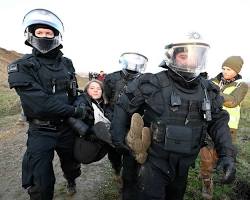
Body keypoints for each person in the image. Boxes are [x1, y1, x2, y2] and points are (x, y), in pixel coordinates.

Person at [110, 32, 236, 200]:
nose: (191, 61)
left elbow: (219, 121)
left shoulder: (208, 90)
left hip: (183, 165)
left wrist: (227, 155)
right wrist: (119, 139)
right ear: (172, 57)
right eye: (184, 56)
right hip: (153, 163)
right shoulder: (151, 83)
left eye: (196, 56)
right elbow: (123, 106)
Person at [7, 8, 90, 199]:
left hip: (67, 128)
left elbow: (74, 90)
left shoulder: (67, 63)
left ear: (56, 35)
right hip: (40, 130)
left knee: (71, 164)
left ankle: (71, 180)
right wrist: (75, 111)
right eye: (40, 32)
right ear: (31, 35)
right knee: (41, 182)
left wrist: (80, 103)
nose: (44, 36)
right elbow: (40, 104)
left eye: (48, 32)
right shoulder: (21, 66)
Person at [199, 55, 248, 199]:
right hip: (209, 123)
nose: (226, 71)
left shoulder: (241, 85)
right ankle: (207, 181)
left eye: (230, 69)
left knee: (219, 156)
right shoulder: (213, 80)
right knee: (206, 157)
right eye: (224, 68)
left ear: (237, 71)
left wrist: (212, 89)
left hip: (229, 128)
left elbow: (232, 101)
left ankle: (217, 170)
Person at [104, 52, 148, 199]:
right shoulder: (111, 78)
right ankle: (116, 168)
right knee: (115, 151)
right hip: (114, 120)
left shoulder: (144, 81)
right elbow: (107, 101)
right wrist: (113, 118)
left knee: (131, 155)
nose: (134, 65)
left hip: (133, 123)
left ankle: (128, 184)